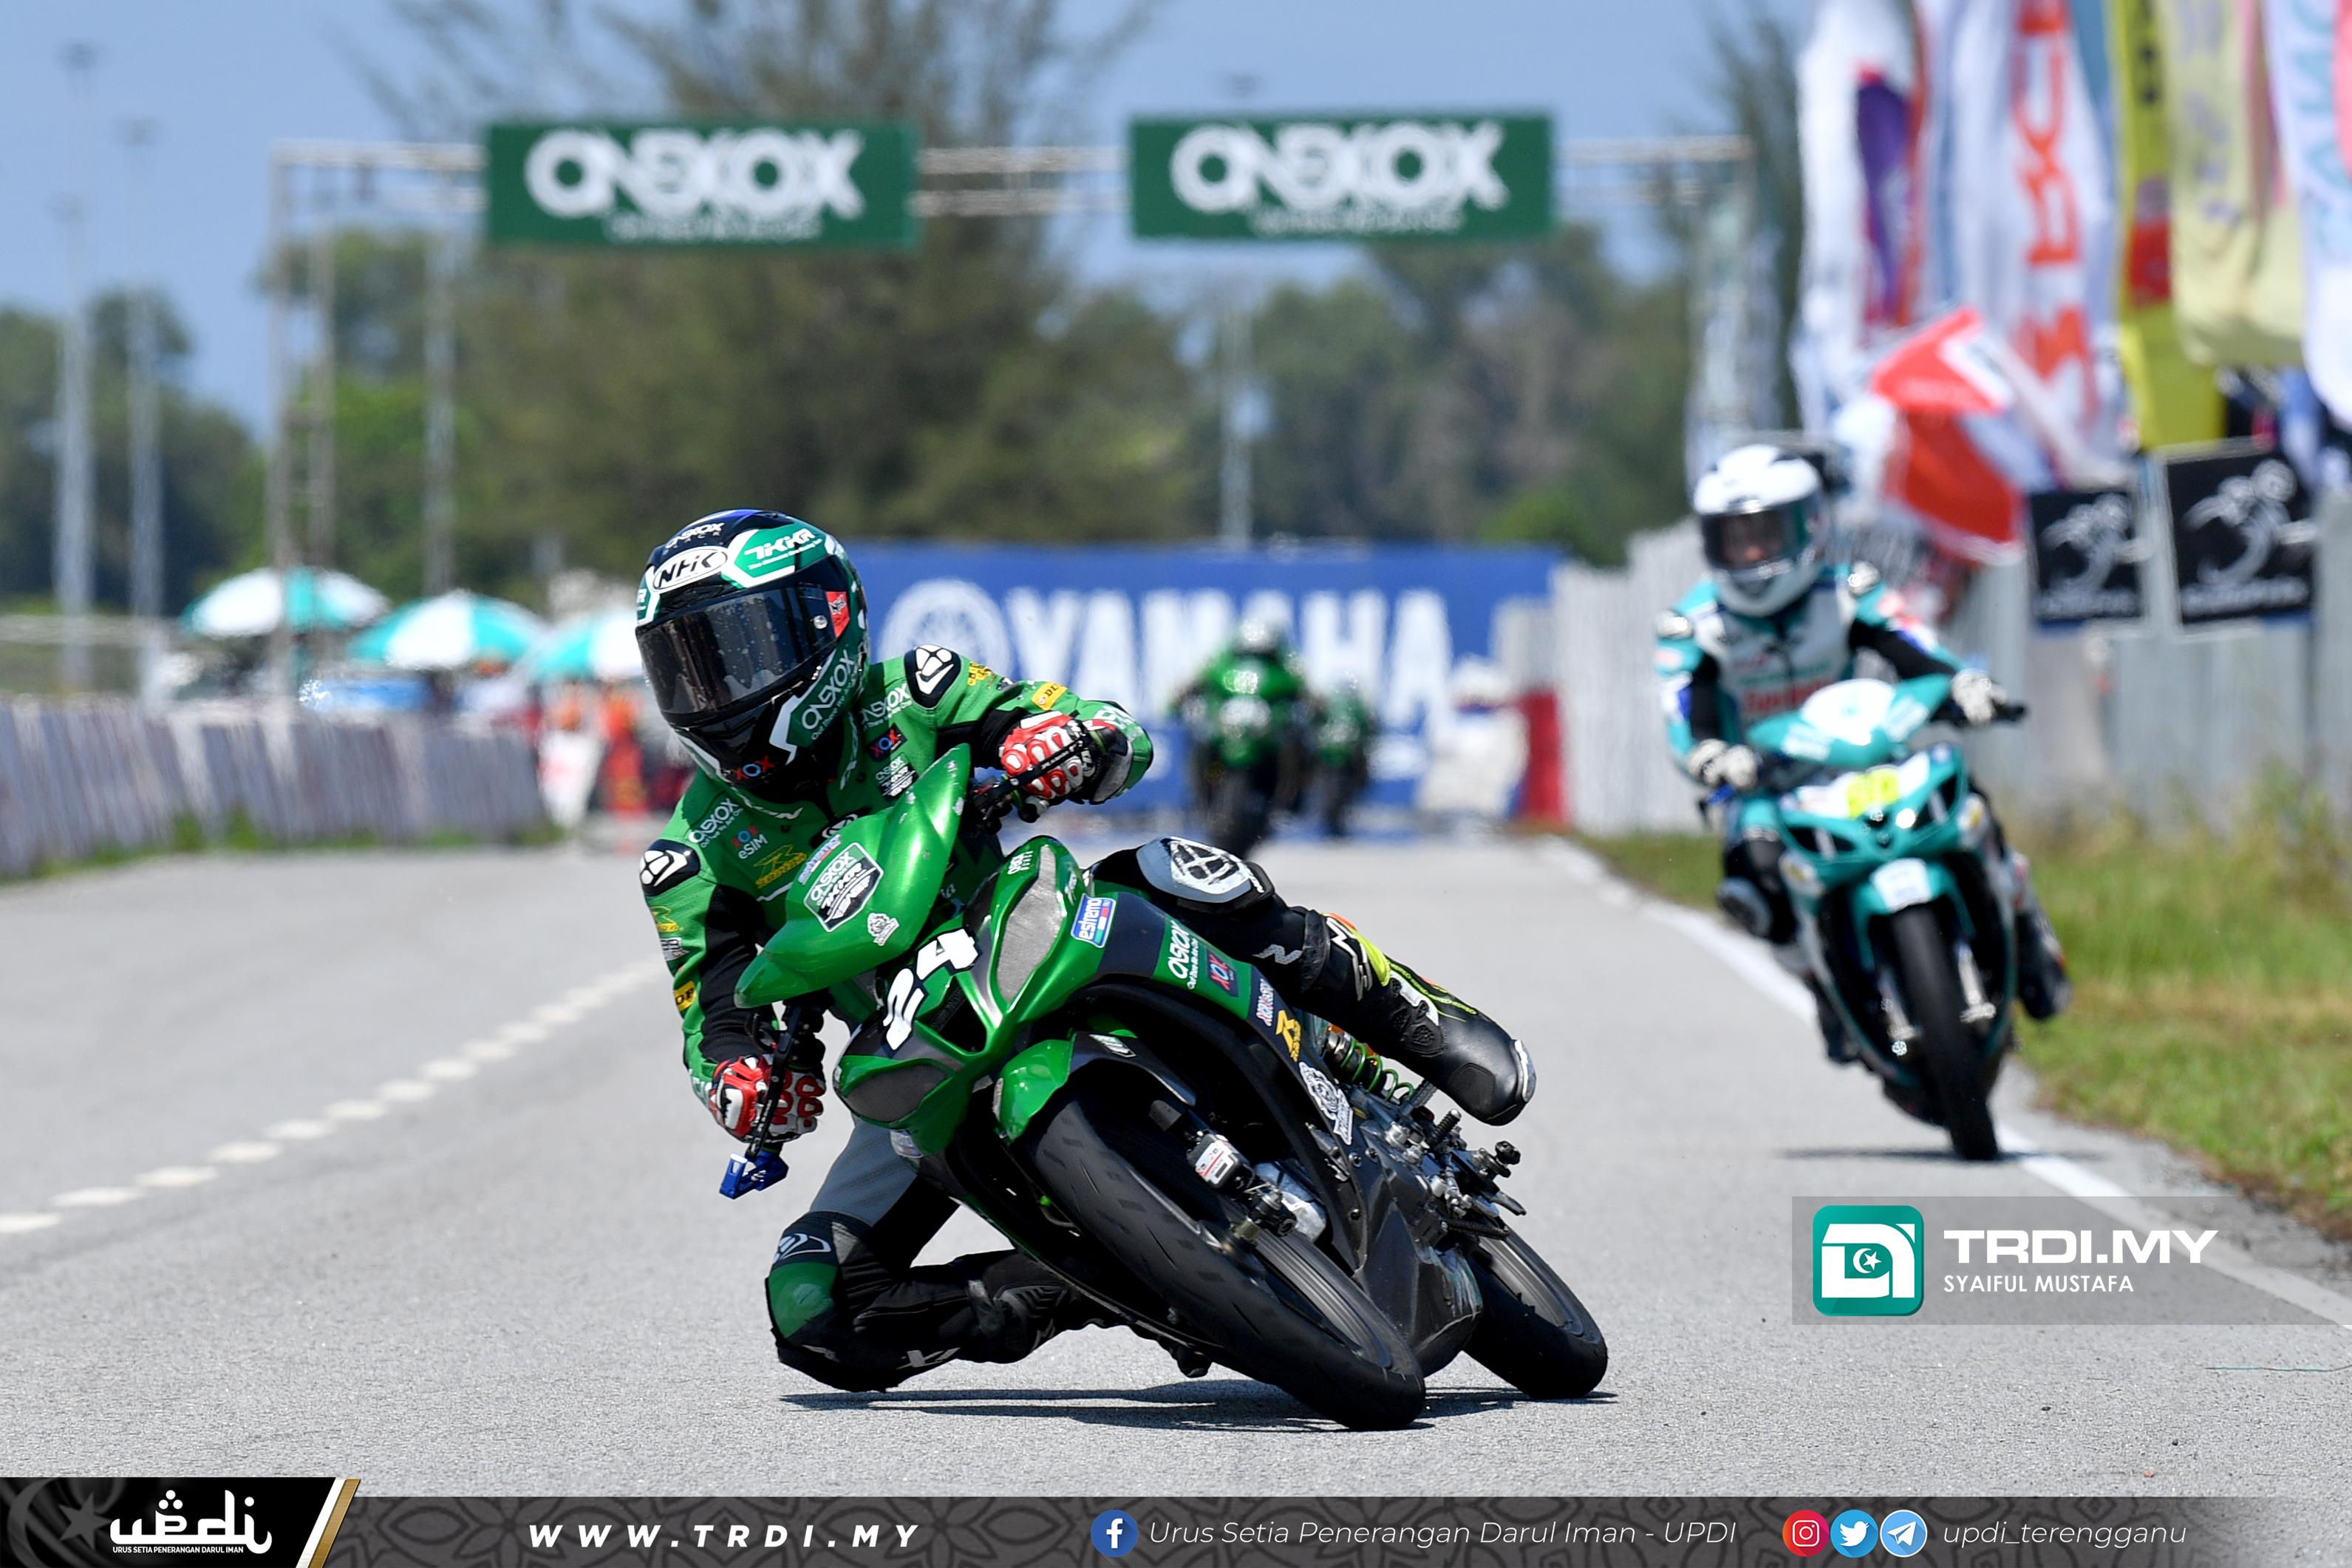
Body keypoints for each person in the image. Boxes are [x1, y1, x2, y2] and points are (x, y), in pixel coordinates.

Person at [631, 511, 1535, 1393]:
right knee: (812, 1306)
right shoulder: (689, 857)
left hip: (1034, 926)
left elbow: (1091, 724)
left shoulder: (913, 690)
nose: (713, 689)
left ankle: (1412, 1016)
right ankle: (1117, 1280)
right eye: (686, 667)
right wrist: (744, 1079)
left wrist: (1071, 739)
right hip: (914, 1058)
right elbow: (713, 1014)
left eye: (735, 652)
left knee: (1178, 872)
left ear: (823, 622)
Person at [1653, 445, 2070, 1060]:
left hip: (1865, 756)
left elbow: (1913, 647)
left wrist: (1962, 687)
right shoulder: (1692, 625)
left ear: (1809, 525)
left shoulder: (1848, 590)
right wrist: (1713, 758)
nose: (1752, 554)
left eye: (1766, 533)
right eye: (1734, 539)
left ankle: (2026, 931)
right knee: (1755, 877)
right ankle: (1823, 988)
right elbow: (1685, 713)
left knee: (1965, 807)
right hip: (1765, 782)